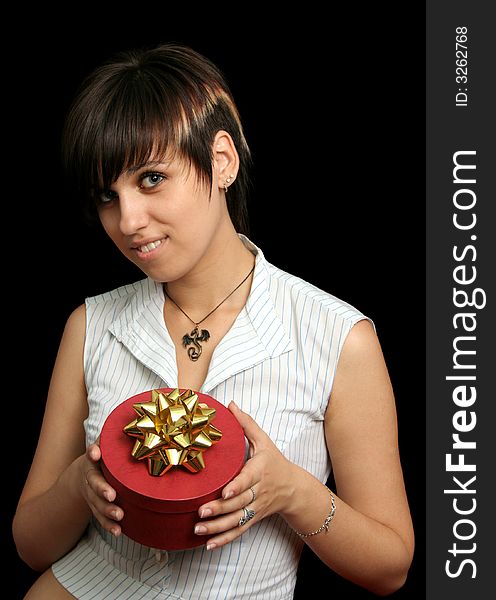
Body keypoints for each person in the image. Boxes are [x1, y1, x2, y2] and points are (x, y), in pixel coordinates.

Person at [13, 43, 414, 599]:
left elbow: (390, 566)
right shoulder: (91, 325)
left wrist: (293, 493)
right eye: (108, 195)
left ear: (221, 160)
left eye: (151, 179)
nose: (128, 221)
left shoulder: (338, 337)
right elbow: (31, 545)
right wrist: (78, 486)